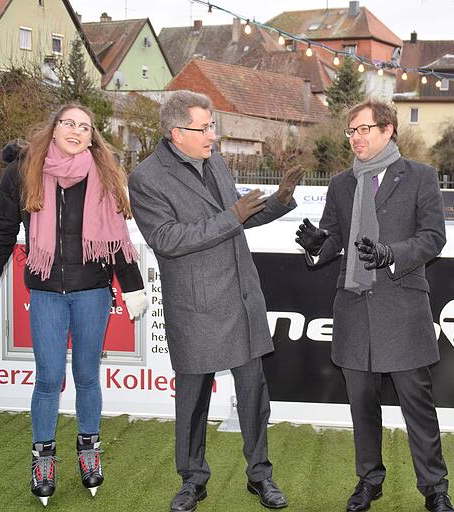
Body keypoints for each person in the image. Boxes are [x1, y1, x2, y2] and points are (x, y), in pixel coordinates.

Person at [128, 90, 304, 512]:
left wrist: (279, 200)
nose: (213, 135)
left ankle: (260, 475)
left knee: (254, 393)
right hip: (195, 304)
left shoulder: (216, 162)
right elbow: (167, 240)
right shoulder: (146, 178)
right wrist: (234, 216)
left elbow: (241, 215)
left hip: (240, 297)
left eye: (212, 126)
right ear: (176, 133)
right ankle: (192, 480)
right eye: (204, 127)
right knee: (192, 398)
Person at [0, 104, 148, 507]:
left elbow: (118, 238)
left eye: (85, 127)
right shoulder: (22, 171)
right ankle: (43, 456)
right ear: (54, 129)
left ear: (92, 137)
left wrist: (133, 288)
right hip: (46, 292)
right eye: (69, 123)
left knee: (87, 375)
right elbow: (1, 232)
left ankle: (89, 449)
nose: (76, 131)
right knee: (49, 378)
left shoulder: (102, 173)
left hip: (92, 291)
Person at [295, 99, 453, 512]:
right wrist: (318, 246)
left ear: (388, 130)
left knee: (418, 407)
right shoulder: (342, 184)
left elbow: (433, 237)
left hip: (402, 308)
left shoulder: (420, 177)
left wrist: (391, 254)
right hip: (353, 310)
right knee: (362, 406)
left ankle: (435, 489)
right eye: (351, 131)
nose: (356, 138)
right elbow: (333, 239)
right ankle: (369, 480)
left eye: (364, 129)